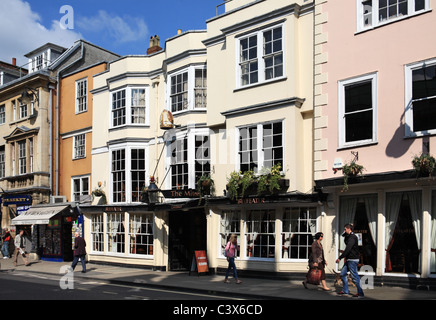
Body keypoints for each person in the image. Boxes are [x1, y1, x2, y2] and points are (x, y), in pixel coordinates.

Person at [335, 224, 364, 298]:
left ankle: (360, 293)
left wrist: (340, 257)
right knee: (342, 274)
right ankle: (345, 291)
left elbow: (348, 249)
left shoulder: (352, 238)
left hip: (353, 260)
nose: (344, 231)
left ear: (349, 229)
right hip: (349, 259)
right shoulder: (350, 236)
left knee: (355, 277)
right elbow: (343, 236)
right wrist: (346, 234)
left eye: (345, 229)